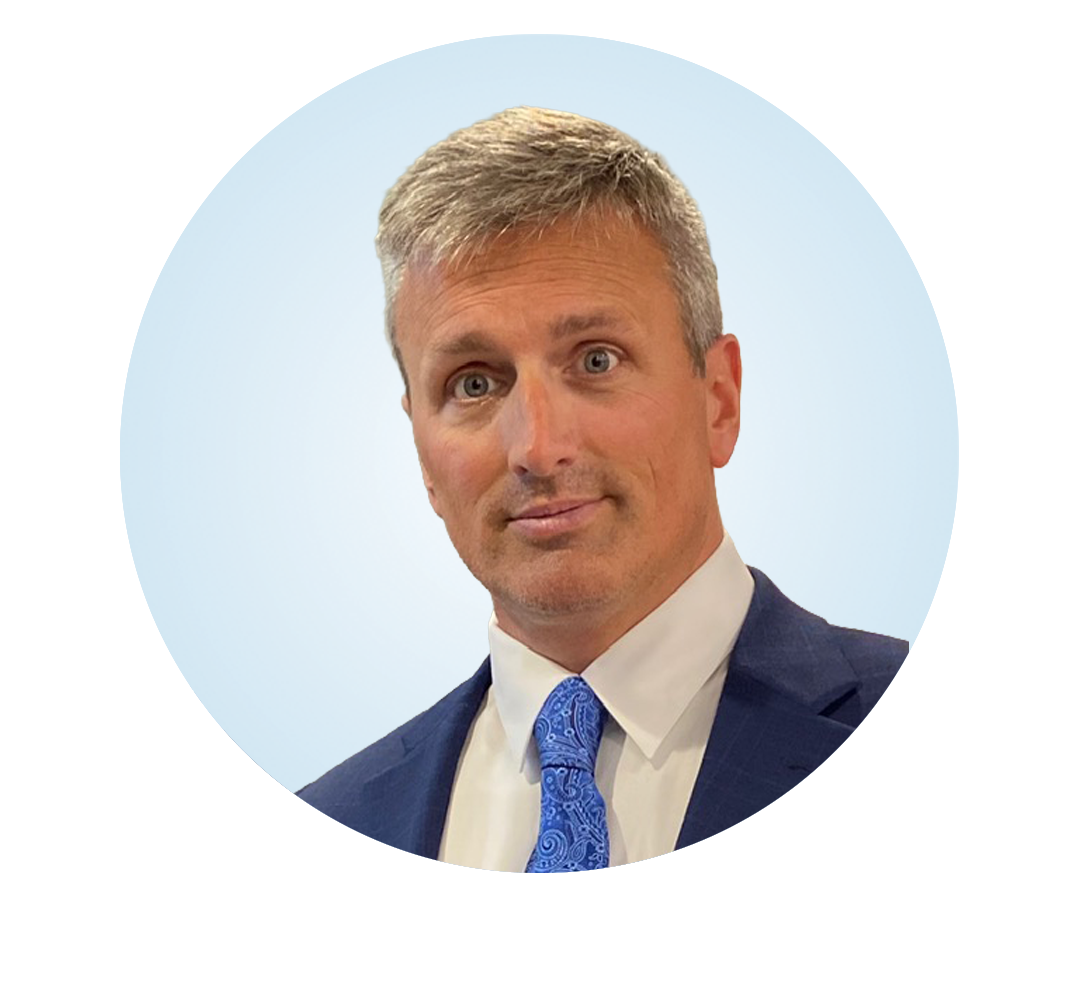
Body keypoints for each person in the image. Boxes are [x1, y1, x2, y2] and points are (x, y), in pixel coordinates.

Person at [297, 106, 908, 871]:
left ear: (719, 400)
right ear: (421, 450)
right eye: (474, 383)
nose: (537, 448)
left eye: (596, 361)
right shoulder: (331, 828)